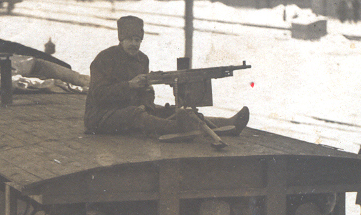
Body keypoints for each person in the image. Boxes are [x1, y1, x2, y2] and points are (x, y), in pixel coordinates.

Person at [84, 15, 248, 137]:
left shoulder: (142, 59)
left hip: (132, 110)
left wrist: (146, 105)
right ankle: (184, 129)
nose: (134, 44)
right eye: (129, 39)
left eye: (137, 40)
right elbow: (98, 95)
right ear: (121, 39)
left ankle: (226, 124)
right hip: (101, 117)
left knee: (168, 111)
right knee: (136, 116)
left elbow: (147, 91)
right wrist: (130, 86)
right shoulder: (105, 59)